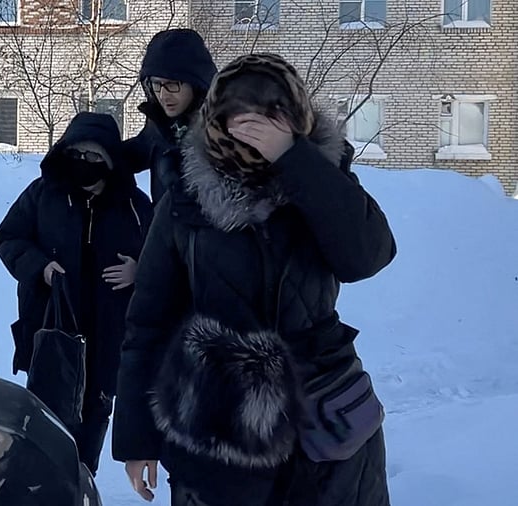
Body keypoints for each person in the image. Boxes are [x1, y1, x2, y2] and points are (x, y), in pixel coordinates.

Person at [112, 53, 397, 505]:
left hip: (324, 423)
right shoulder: (187, 199)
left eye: (270, 116)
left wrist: (295, 160)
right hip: (217, 430)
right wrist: (136, 439)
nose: (252, 131)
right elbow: (148, 321)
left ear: (295, 118)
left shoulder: (323, 181)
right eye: (238, 118)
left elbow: (366, 258)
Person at [0, 111, 153, 475]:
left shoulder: (134, 206)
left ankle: (82, 483)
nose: (85, 163)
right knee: (44, 429)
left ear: (111, 161)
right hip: (51, 329)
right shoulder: (43, 195)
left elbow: (167, 258)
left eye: (95, 156)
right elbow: (9, 237)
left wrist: (139, 271)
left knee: (93, 418)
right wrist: (40, 268)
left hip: (108, 336)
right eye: (78, 155)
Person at [124, 28, 217, 205]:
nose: (164, 95)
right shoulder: (160, 125)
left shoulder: (222, 129)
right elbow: (131, 155)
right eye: (156, 85)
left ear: (196, 84)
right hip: (165, 230)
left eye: (173, 84)